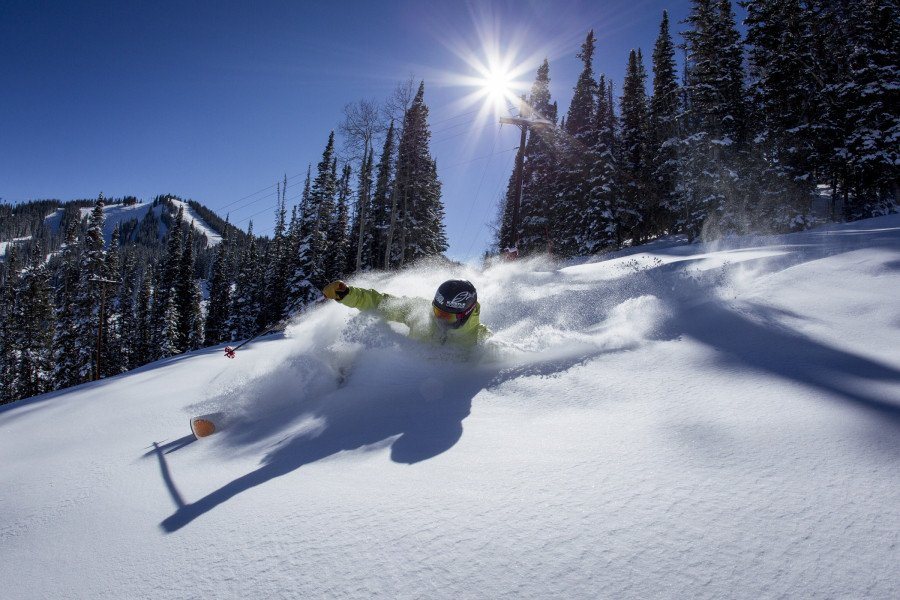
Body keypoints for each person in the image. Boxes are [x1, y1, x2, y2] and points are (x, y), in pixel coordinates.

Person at [322, 279, 491, 346]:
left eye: (446, 315)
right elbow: (381, 303)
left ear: (465, 314)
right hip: (403, 383)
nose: (438, 318)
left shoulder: (480, 337)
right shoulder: (420, 312)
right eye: (436, 310)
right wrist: (348, 294)